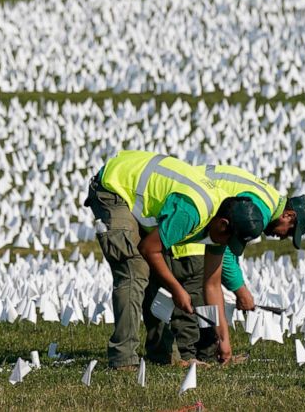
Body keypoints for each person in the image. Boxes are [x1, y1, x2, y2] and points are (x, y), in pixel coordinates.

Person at [84, 150, 264, 370]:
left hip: (136, 193)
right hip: (114, 187)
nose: (227, 245)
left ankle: (162, 355)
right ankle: (123, 359)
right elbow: (149, 249)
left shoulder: (220, 222)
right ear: (223, 224)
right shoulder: (192, 212)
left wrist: (224, 341)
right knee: (135, 269)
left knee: (156, 273)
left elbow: (212, 285)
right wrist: (177, 289)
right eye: (230, 240)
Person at [145, 164, 305, 364]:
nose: (283, 238)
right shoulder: (260, 212)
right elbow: (225, 252)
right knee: (198, 290)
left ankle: (209, 352)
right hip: (194, 223)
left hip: (201, 218)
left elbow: (229, 247)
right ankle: (191, 356)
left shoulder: (269, 201)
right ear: (289, 215)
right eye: (289, 231)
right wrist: (240, 290)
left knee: (208, 290)